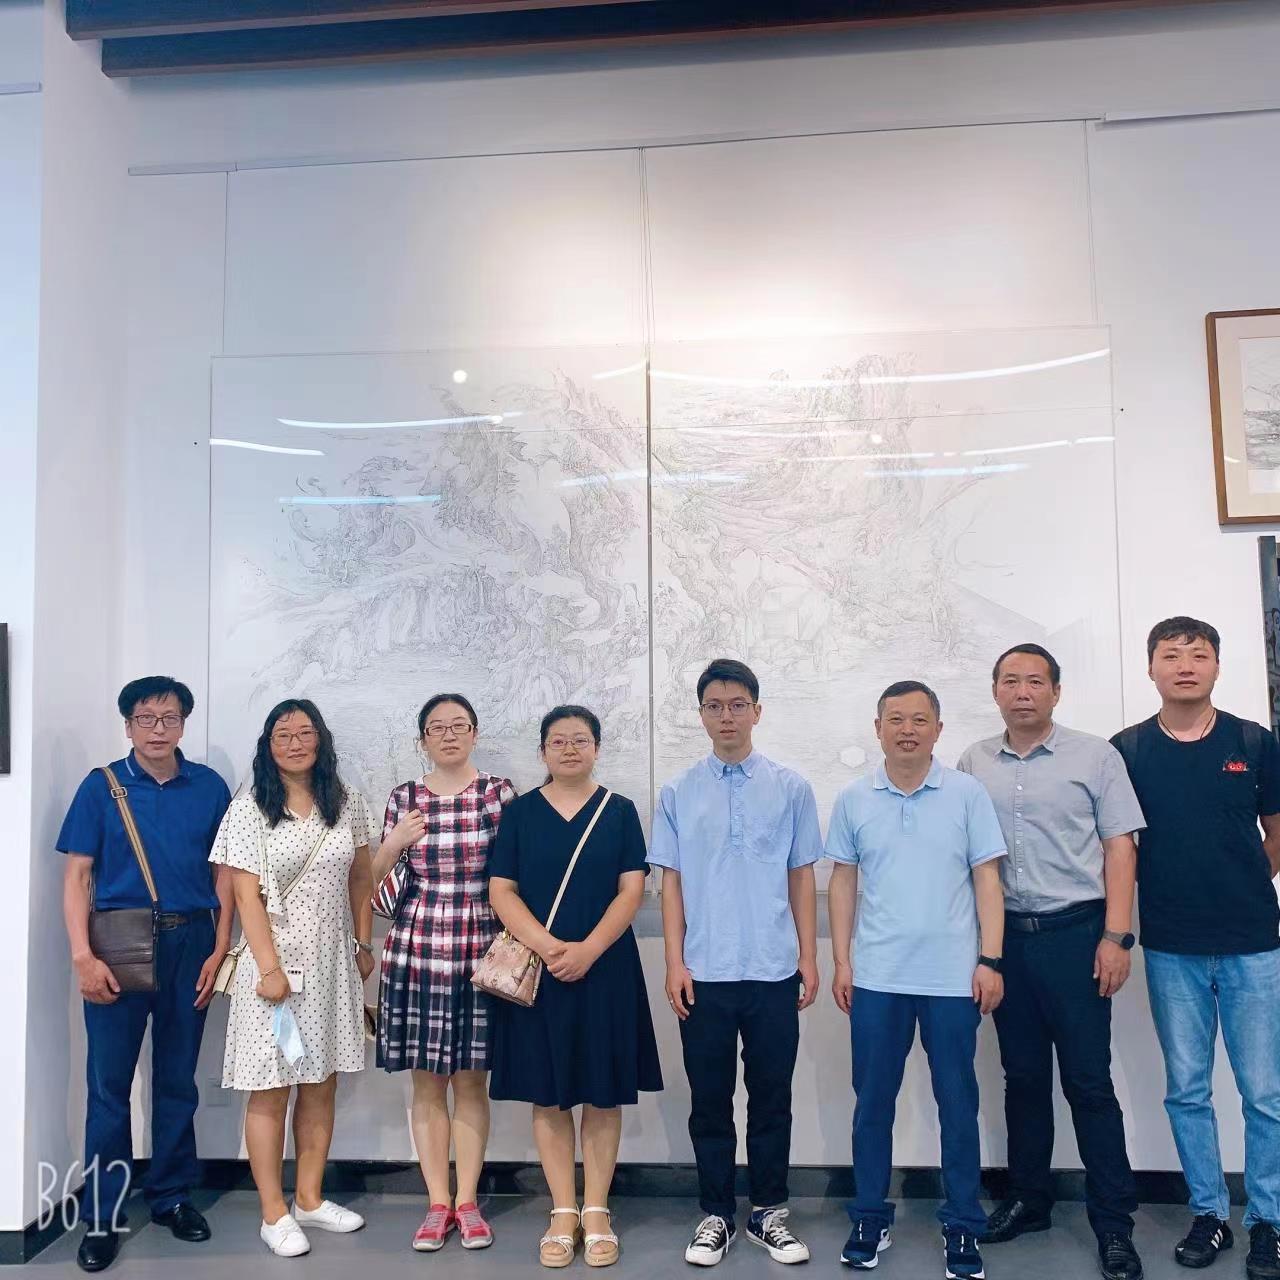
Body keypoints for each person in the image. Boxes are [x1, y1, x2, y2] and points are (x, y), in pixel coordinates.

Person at [957, 644, 1145, 1280]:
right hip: (1006, 941)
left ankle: (1114, 1225)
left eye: (1035, 681)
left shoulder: (1096, 756)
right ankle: (1028, 1200)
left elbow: (1120, 848)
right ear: (995, 691)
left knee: (1089, 1084)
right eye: (1011, 681)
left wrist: (1116, 936)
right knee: (1023, 1077)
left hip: (1078, 936)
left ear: (1056, 692)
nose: (1023, 692)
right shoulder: (973, 761)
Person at [1111, 618, 1280, 1280]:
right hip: (1172, 947)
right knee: (1186, 1090)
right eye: (1171, 655)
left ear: (1216, 666)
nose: (1185, 665)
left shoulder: (1253, 741)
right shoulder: (1128, 750)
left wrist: (1241, 882)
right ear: (1150, 668)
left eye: (1198, 654)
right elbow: (1120, 846)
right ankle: (1209, 1214)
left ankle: (1267, 1221)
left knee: (1264, 1093)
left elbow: (1276, 831)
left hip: (1251, 944)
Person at [827, 680, 1006, 1280]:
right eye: (896, 719)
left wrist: (991, 959)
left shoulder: (967, 794)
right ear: (878, 728)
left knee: (958, 1105)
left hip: (954, 979)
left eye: (920, 719)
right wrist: (843, 961)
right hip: (878, 977)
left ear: (938, 729)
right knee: (872, 1105)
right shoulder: (855, 798)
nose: (908, 730)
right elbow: (844, 881)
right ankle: (869, 1217)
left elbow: (987, 879)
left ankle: (963, 1224)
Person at [58, 676, 232, 1273]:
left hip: (192, 942)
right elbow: (77, 877)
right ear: (128, 725)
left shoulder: (208, 786)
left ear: (184, 723)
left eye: (170, 718)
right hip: (118, 945)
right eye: (146, 718)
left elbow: (224, 875)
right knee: (109, 1087)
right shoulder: (102, 786)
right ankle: (103, 1216)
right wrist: (82, 956)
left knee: (178, 1079)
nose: (159, 729)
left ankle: (171, 1196)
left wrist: (220, 946)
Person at [651, 658, 821, 1268]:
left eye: (738, 705)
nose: (727, 716)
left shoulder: (791, 787)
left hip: (774, 970)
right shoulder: (677, 792)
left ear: (757, 711)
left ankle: (769, 1212)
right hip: (704, 972)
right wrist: (674, 961)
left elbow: (801, 876)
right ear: (701, 715)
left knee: (773, 1096)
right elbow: (671, 883)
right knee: (710, 1100)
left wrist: (809, 955)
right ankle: (717, 1214)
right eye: (715, 706)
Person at [488, 704, 660, 1269]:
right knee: (549, 1091)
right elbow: (502, 890)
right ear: (542, 751)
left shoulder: (619, 810)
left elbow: (632, 890)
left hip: (606, 967)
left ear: (597, 748)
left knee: (603, 1091)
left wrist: (588, 949)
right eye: (558, 741)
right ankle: (563, 1211)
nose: (569, 749)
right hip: (540, 970)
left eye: (580, 739)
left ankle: (597, 1210)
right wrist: (548, 946)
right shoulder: (519, 813)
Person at [211, 698, 375, 1258]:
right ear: (268, 745)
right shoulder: (249, 808)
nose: (295, 742)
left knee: (321, 1082)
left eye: (305, 732)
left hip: (331, 968)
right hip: (275, 973)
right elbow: (245, 894)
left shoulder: (346, 802)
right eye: (283, 734)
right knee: (271, 1086)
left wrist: (362, 943)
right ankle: (273, 1212)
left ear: (321, 740)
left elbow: (361, 877)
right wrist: (269, 969)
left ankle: (308, 1198)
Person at [371, 693, 516, 1252]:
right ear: (422, 740)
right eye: (437, 727)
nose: (449, 735)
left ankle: (468, 1203)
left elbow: (514, 874)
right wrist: (393, 844)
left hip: (481, 944)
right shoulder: (404, 798)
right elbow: (377, 891)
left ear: (475, 733)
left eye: (459, 725)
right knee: (427, 1080)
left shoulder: (498, 793)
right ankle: (437, 1204)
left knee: (472, 1079)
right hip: (417, 946)